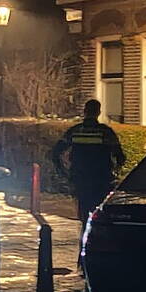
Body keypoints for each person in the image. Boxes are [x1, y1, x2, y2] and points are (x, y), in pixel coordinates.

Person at [51, 99, 126, 253]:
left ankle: (83, 249)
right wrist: (116, 170)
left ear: (85, 111)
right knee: (100, 216)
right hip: (102, 180)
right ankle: (97, 248)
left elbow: (55, 152)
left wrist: (63, 171)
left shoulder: (75, 131)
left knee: (85, 215)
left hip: (81, 180)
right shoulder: (105, 132)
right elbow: (120, 157)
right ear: (98, 112)